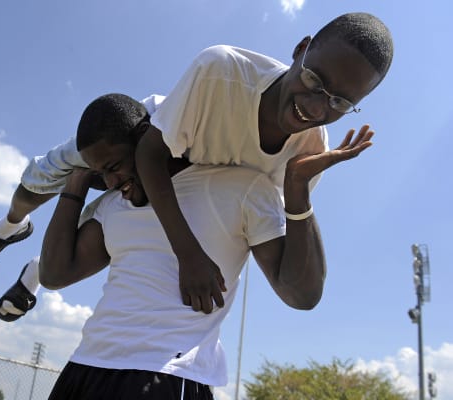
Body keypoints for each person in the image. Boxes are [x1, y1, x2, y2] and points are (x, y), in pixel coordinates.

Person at [0, 12, 393, 317]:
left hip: (192, 182)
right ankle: (10, 225)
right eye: (314, 81)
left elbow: (273, 235)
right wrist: (188, 255)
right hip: (147, 140)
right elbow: (151, 153)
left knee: (102, 226)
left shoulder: (308, 149)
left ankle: (35, 275)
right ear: (301, 50)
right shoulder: (223, 68)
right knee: (47, 174)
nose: (315, 107)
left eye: (340, 102)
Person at [23, 93, 370, 399]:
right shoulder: (114, 203)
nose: (112, 181)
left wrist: (296, 187)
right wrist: (77, 182)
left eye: (114, 166)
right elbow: (54, 274)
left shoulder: (243, 187)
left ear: (146, 140)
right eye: (101, 172)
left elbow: (302, 294)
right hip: (84, 367)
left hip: (168, 375)